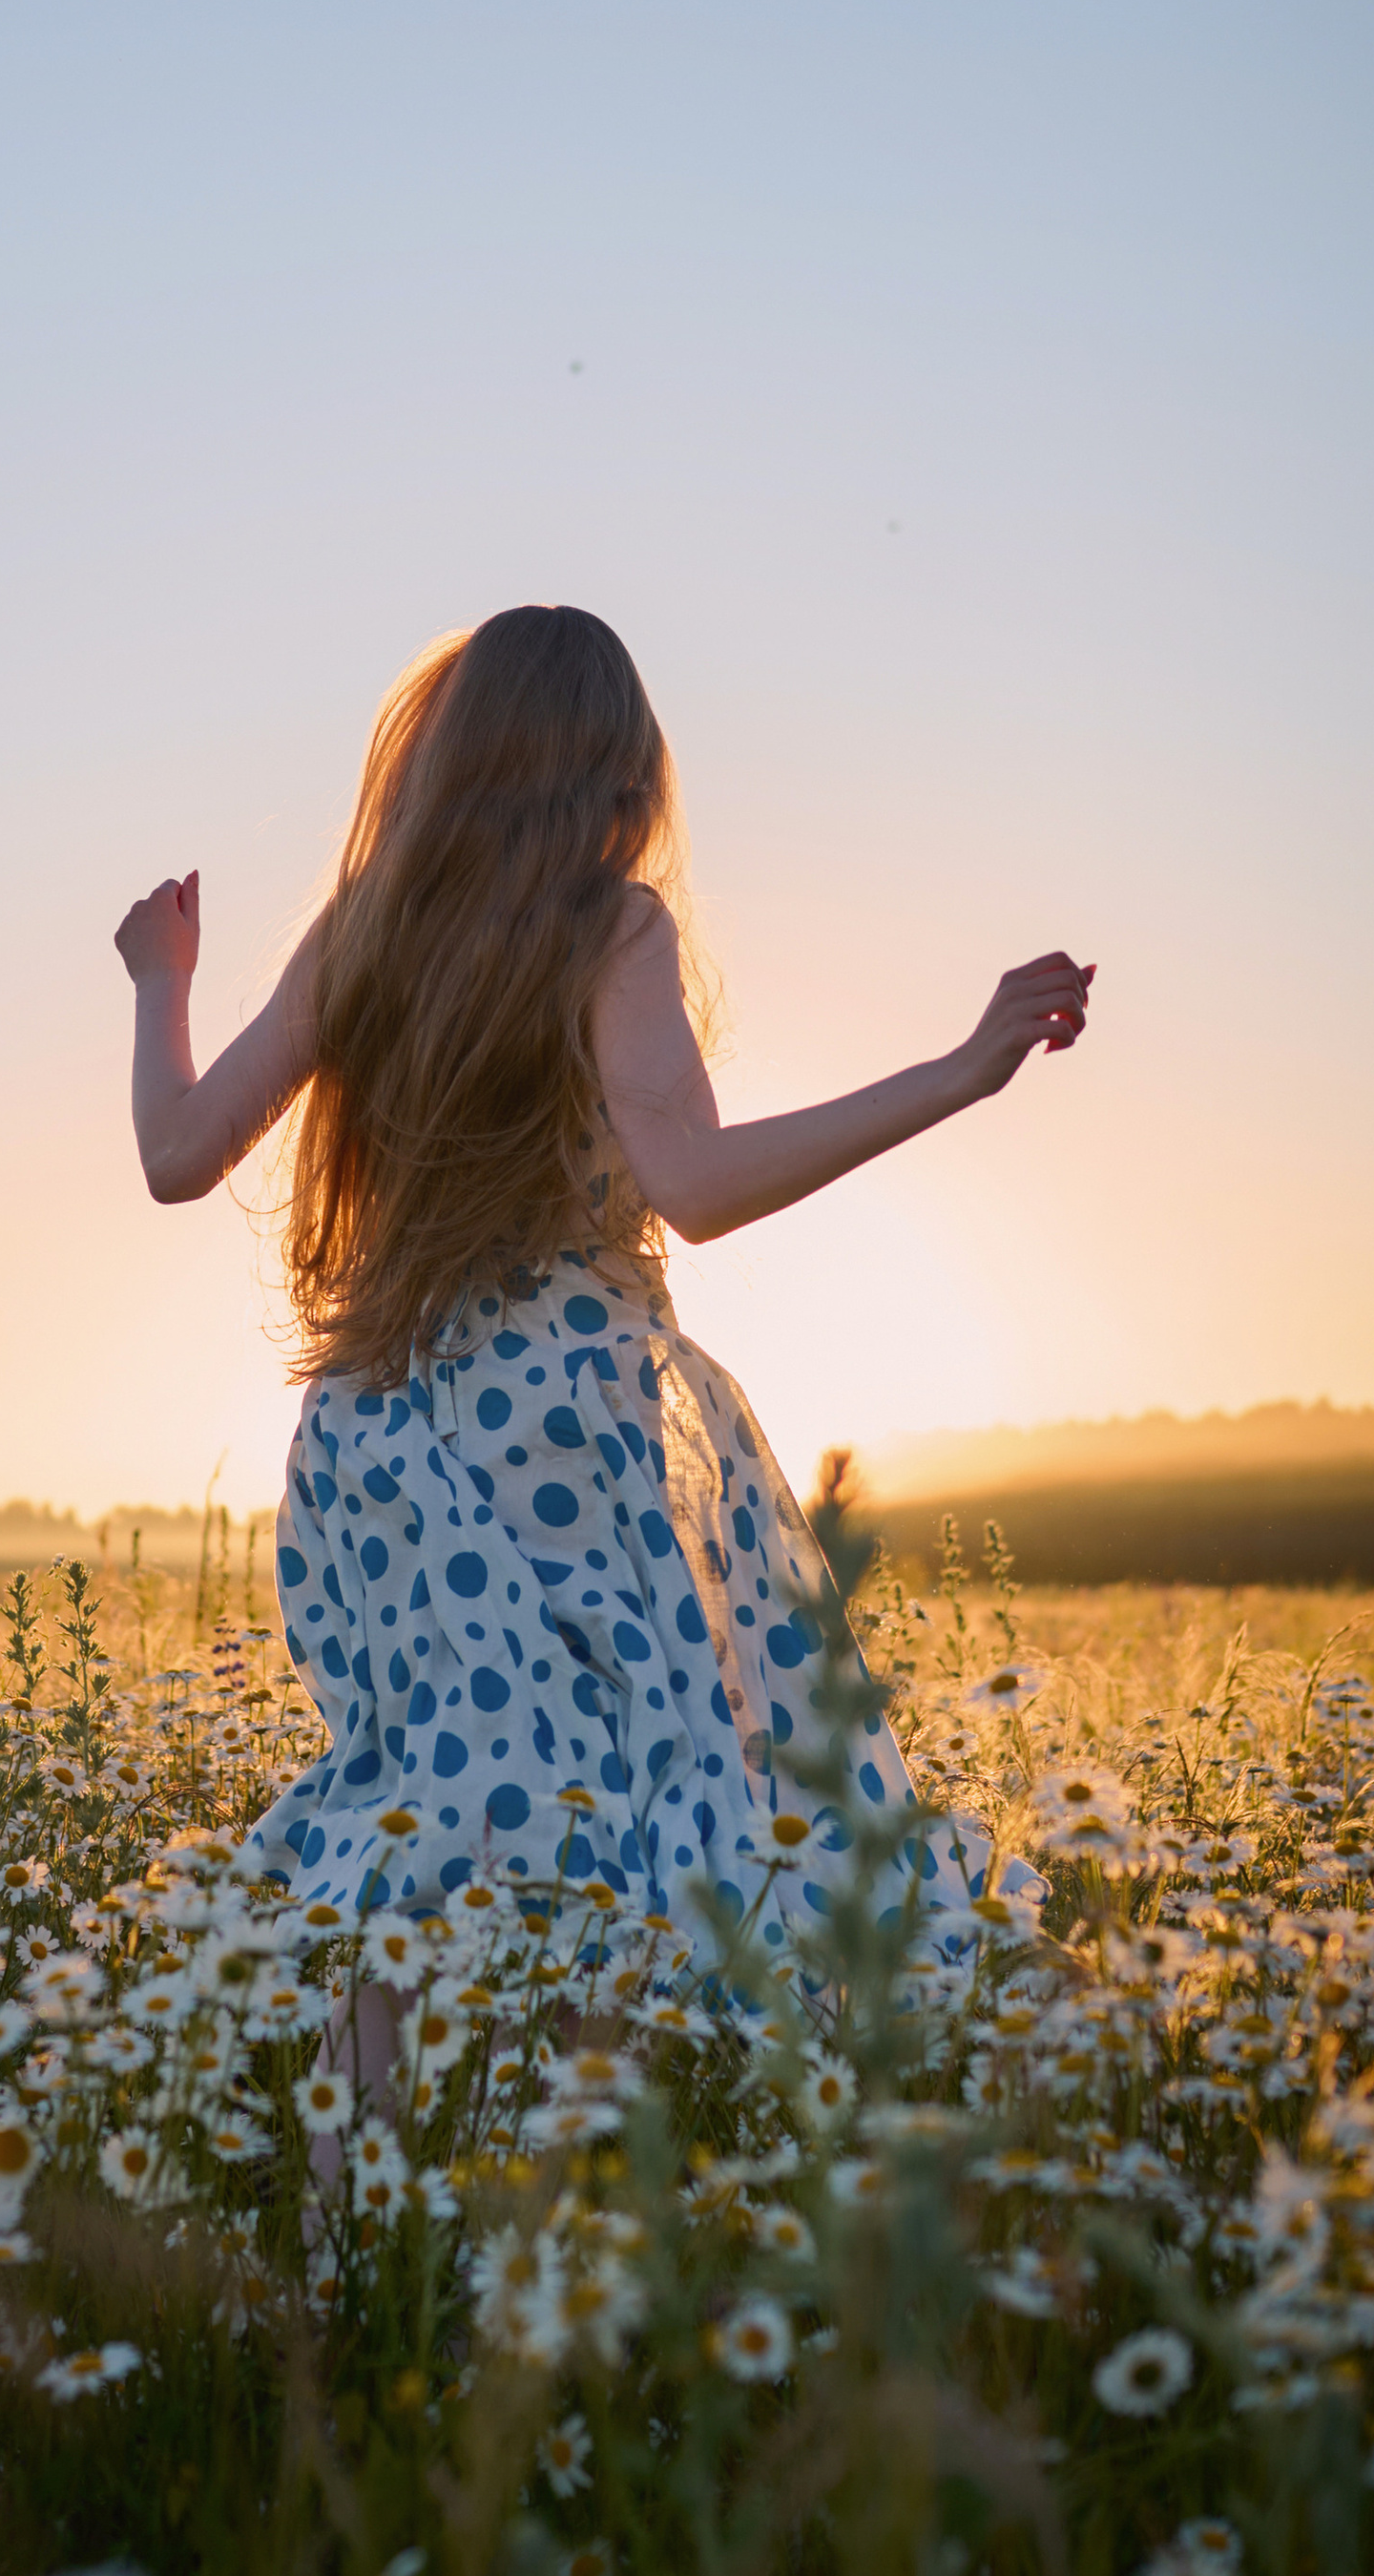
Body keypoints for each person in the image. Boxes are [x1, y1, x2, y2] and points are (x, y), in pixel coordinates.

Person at [113, 604, 1091, 1958]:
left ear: (449, 747)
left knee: (440, 1818)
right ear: (621, 770)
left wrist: (161, 981)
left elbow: (177, 1156)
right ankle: (639, 2079)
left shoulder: (366, 930)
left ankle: (388, 2096)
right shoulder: (610, 930)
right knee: (651, 1813)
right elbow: (696, 1186)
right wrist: (956, 1073)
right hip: (568, 1415)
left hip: (376, 1433)